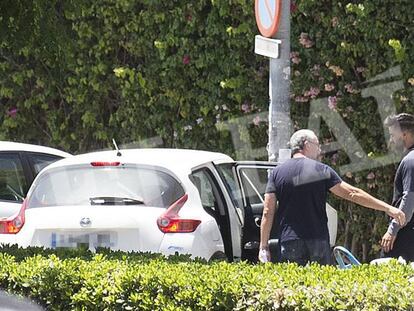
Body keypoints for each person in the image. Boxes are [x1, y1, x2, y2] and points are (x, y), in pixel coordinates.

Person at [259, 129, 405, 265]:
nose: (320, 150)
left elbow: (267, 211)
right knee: (320, 288)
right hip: (317, 240)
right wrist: (388, 208)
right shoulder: (320, 169)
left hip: (289, 241)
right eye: (317, 145)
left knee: (293, 289)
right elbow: (352, 193)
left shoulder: (277, 173)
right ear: (307, 145)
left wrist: (263, 246)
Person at [380, 113, 414, 261]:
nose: (391, 140)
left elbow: (410, 198)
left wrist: (393, 230)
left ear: (404, 134)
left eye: (393, 135)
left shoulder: (410, 161)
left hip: (406, 232)